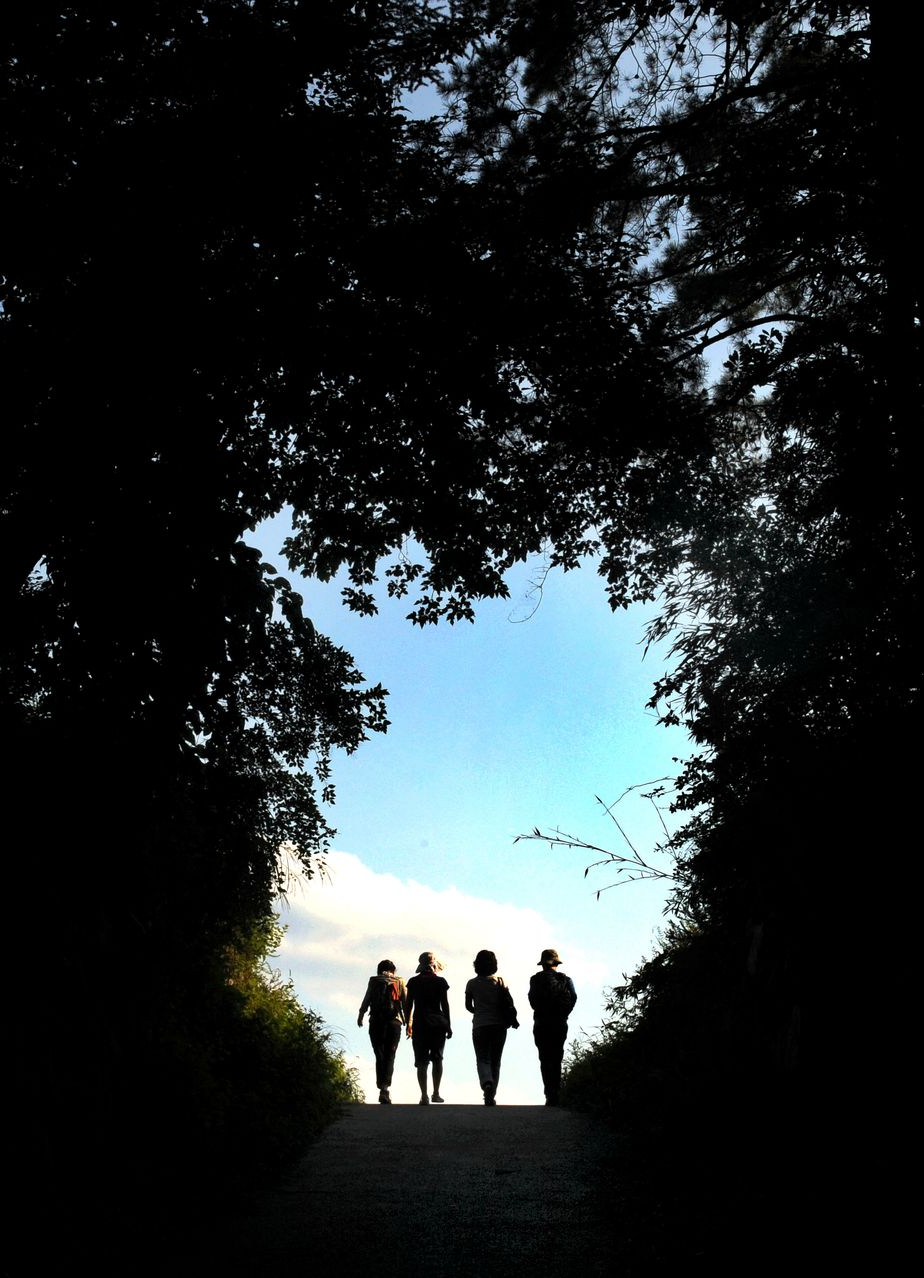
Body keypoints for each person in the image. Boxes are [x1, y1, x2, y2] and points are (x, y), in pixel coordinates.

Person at [464, 950, 519, 1106]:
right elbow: (509, 1002)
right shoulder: (500, 981)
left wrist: (479, 1011)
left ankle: (486, 1082)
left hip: (480, 1025)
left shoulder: (471, 983)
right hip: (499, 1025)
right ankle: (491, 1094)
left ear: (476, 964)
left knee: (482, 1058)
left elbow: (468, 1006)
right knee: (496, 1060)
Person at [528, 948, 577, 1106]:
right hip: (559, 1022)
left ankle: (549, 1093)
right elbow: (574, 997)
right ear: (556, 963)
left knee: (544, 1058)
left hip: (541, 1023)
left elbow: (532, 1001)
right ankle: (556, 1092)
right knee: (557, 1057)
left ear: (542, 964)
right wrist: (565, 1013)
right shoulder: (566, 980)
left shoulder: (535, 979)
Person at [357, 959, 408, 1105]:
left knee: (379, 1054)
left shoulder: (374, 981)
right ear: (393, 970)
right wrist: (409, 1023)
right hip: (394, 1023)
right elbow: (406, 1003)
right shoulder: (399, 981)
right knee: (390, 1055)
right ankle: (385, 1088)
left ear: (379, 970)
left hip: (376, 1021)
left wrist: (361, 1015)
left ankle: (382, 1086)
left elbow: (367, 998)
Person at [405, 951, 452, 1105]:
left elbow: (408, 1004)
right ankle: (436, 1093)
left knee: (421, 1061)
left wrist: (408, 1023)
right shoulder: (440, 982)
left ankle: (424, 1095)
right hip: (438, 1024)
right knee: (437, 1059)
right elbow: (445, 1005)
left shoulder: (413, 982)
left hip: (419, 1024)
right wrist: (448, 1024)